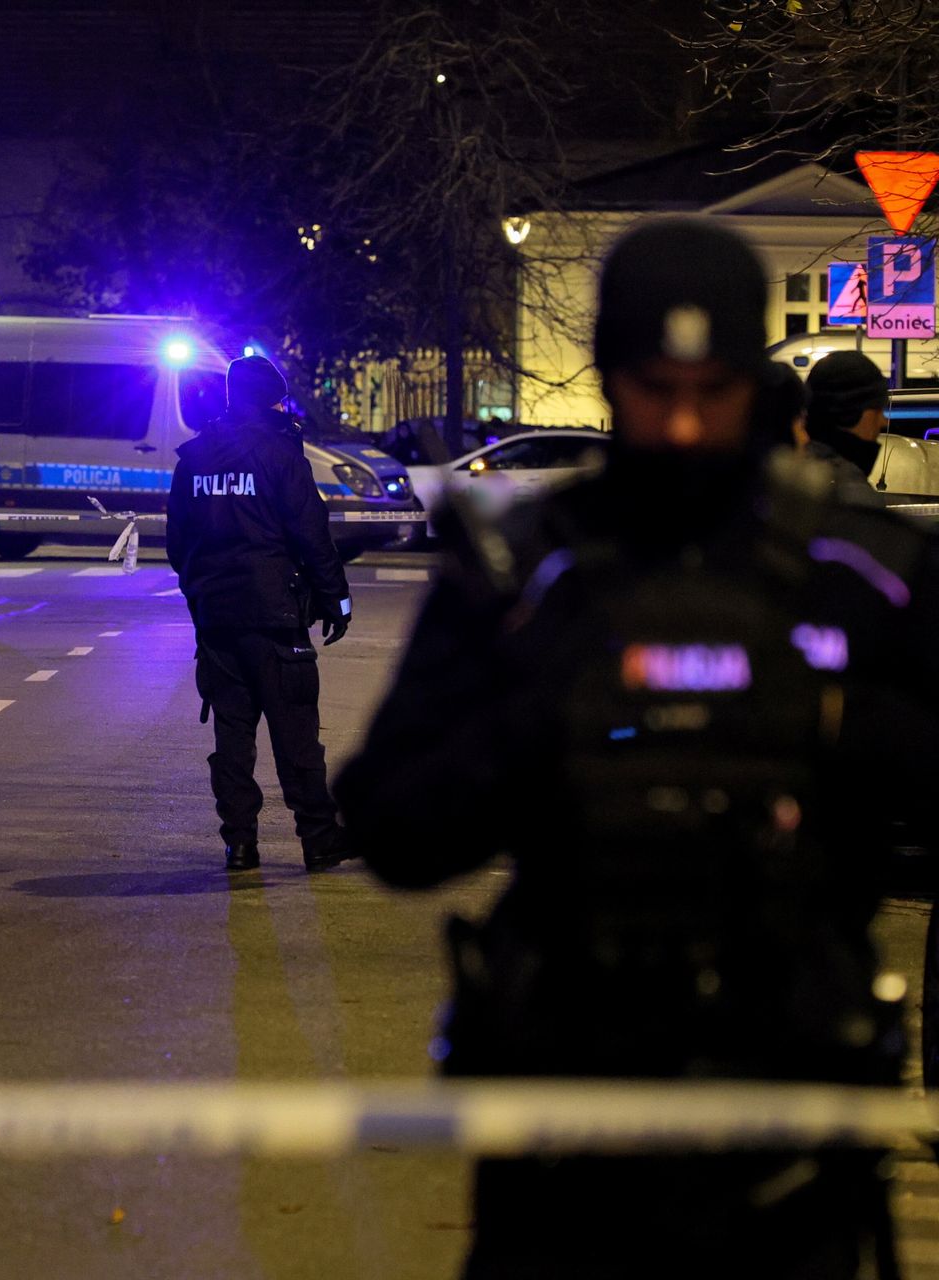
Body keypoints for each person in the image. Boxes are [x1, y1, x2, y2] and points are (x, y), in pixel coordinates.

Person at [335, 218, 939, 1278]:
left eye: (716, 390)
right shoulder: (530, 571)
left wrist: (827, 728)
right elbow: (390, 822)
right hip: (571, 1111)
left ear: (760, 384)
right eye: (658, 389)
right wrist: (543, 727)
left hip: (788, 1093)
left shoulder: (860, 567)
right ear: (613, 380)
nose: (689, 424)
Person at [166, 354, 356, 873]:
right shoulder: (281, 453)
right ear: (271, 398)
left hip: (218, 619)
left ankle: (241, 844)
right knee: (295, 736)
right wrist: (335, 599)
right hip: (274, 617)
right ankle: (319, 840)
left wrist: (200, 594)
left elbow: (178, 542)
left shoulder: (196, 457)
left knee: (232, 738)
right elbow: (310, 533)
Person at [806, 350, 892, 499]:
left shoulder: (784, 478)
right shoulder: (853, 498)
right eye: (877, 410)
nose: (884, 422)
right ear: (850, 414)